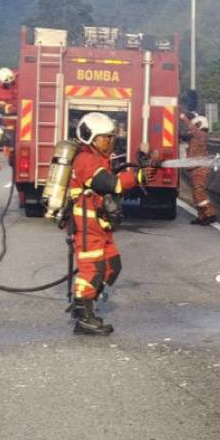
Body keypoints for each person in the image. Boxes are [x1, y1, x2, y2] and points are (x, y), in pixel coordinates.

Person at [68, 112, 154, 335]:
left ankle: (88, 302)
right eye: (105, 137)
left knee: (112, 266)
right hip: (88, 227)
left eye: (111, 137)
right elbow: (109, 184)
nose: (110, 141)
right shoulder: (85, 159)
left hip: (101, 225)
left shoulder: (100, 158)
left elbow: (114, 179)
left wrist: (140, 168)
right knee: (92, 270)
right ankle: (83, 316)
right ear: (91, 138)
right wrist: (137, 178)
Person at [179, 111, 217, 225]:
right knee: (196, 194)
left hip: (200, 169)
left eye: (195, 125)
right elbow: (185, 136)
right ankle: (201, 216)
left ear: (199, 125)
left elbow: (191, 130)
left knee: (199, 192)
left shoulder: (200, 134)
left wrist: (183, 117)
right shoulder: (197, 137)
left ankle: (210, 214)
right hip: (195, 169)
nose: (192, 127)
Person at [0, 67, 18, 165]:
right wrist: (7, 107)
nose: (10, 84)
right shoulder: (0, 88)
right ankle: (10, 150)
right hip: (11, 117)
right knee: (9, 137)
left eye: (12, 81)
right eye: (7, 83)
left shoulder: (19, 76)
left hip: (25, 112)